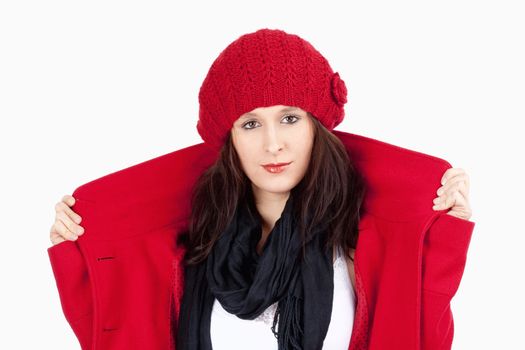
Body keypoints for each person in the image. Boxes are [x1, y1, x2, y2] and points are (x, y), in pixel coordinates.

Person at [48, 28, 474, 349]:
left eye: (290, 118)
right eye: (251, 124)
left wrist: (444, 226)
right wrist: (77, 241)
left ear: (316, 127)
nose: (273, 144)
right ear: (229, 138)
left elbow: (425, 332)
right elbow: (110, 325)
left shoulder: (359, 242)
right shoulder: (191, 247)